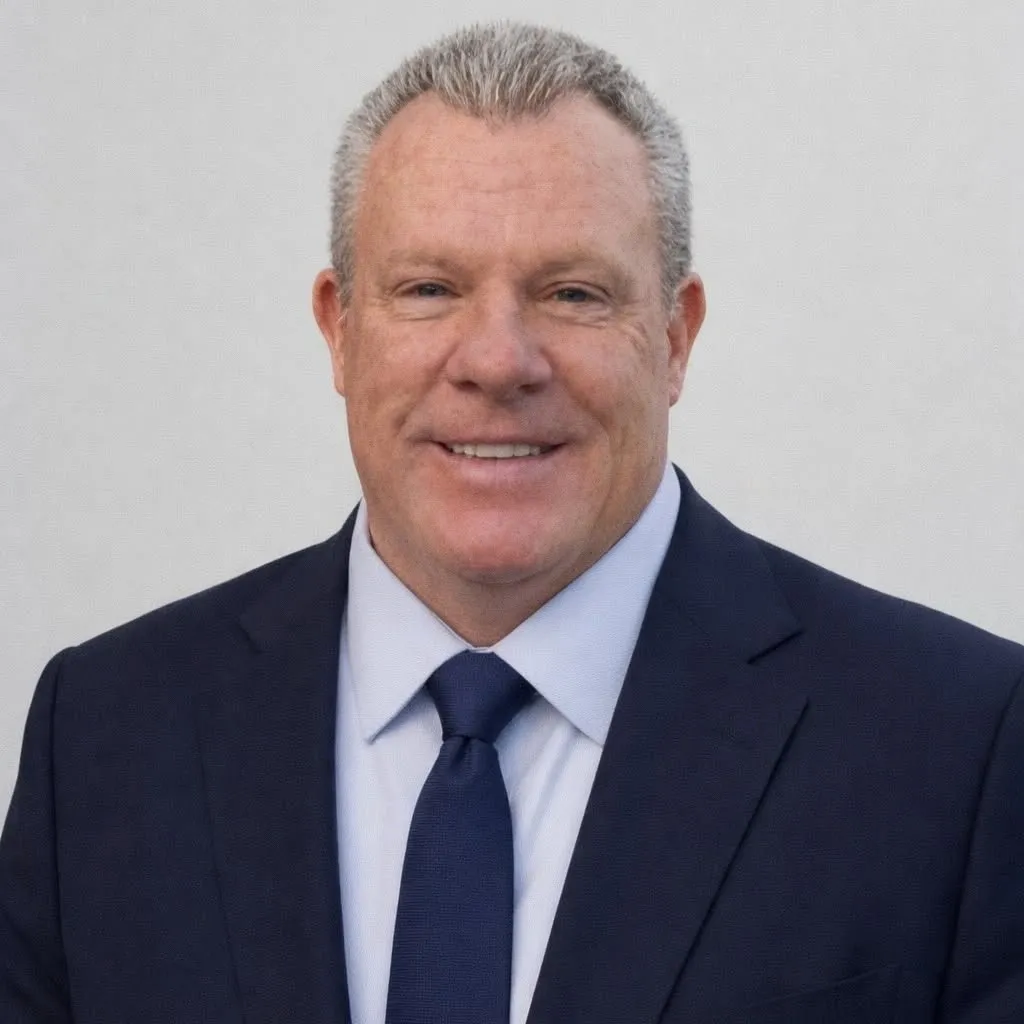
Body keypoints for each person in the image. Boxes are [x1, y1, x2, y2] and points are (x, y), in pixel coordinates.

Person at [2, 21, 1022, 1024]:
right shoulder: (103, 735)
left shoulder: (959, 744)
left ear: (674, 338)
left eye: (572, 293)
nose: (497, 360)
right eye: (429, 289)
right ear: (339, 329)